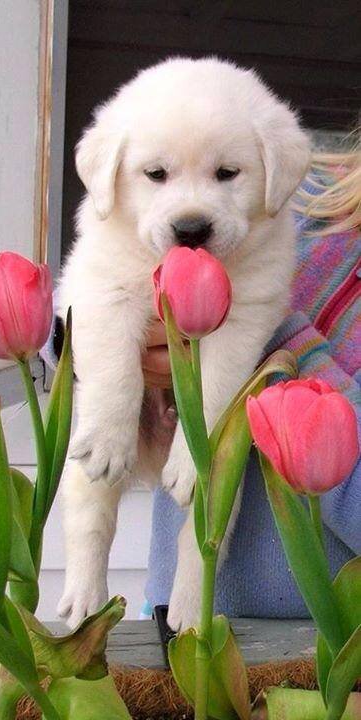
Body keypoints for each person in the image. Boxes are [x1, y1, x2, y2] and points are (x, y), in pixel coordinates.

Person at [143, 149, 361, 619]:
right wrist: (82, 343)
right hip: (180, 618)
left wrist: (267, 339)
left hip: (325, 645)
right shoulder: (286, 186)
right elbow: (108, 262)